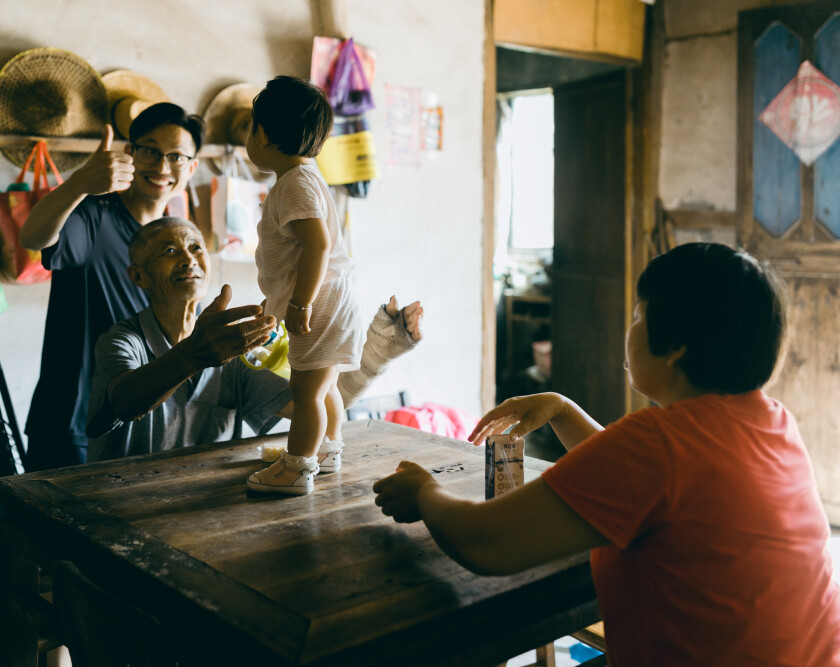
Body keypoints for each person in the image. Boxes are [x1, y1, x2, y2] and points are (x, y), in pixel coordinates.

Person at [373, 243, 840, 665]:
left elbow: (485, 543)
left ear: (676, 346)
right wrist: (562, 410)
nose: (631, 329)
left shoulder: (660, 442)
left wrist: (424, 491)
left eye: (639, 316)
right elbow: (641, 484)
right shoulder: (773, 422)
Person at [86, 217, 422, 462]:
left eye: (195, 248)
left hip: (194, 505)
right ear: (138, 276)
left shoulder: (232, 350)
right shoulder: (121, 342)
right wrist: (194, 355)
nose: (188, 259)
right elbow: (124, 404)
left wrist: (379, 349)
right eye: (170, 251)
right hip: (118, 505)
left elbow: (317, 400)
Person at [19, 103, 204, 469]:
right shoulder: (94, 216)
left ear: (192, 167)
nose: (162, 166)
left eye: (177, 156)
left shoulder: (180, 237)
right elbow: (33, 235)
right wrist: (79, 184)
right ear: (130, 153)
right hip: (73, 422)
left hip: (143, 422)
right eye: (150, 151)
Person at [242, 75, 363, 495]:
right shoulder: (301, 177)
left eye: (249, 127)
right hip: (329, 302)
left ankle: (296, 469)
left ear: (261, 133)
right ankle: (325, 450)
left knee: (306, 388)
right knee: (322, 385)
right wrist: (281, 298)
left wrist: (299, 304)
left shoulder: (295, 182)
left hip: (322, 304)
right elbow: (298, 253)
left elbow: (318, 245)